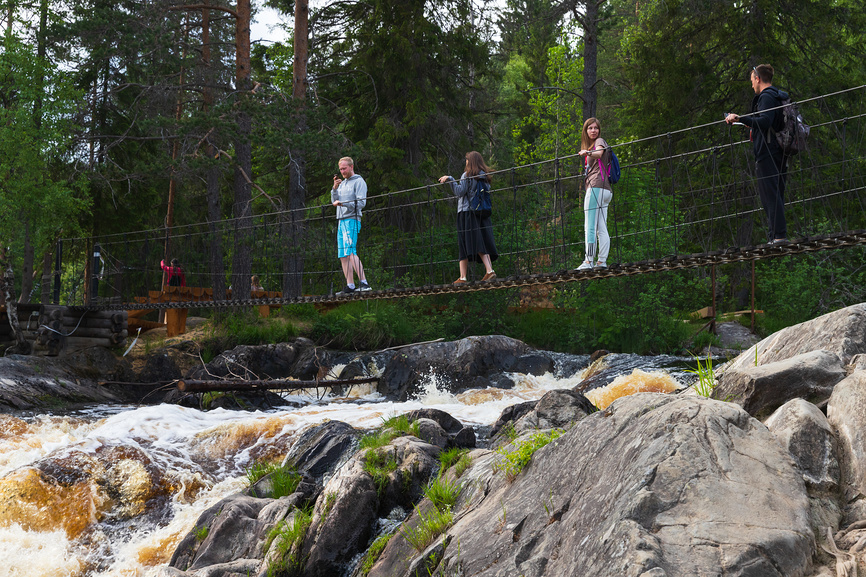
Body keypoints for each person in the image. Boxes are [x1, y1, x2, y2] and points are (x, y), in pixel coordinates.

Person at [725, 64, 789, 243]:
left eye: (752, 80)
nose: (752, 85)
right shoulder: (777, 95)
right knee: (776, 193)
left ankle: (778, 236)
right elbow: (767, 121)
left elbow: (766, 121)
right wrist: (751, 122)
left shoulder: (766, 97)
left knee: (770, 194)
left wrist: (740, 118)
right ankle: (776, 235)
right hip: (779, 150)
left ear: (758, 78)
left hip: (767, 151)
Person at [438, 151, 498, 284]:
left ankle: (469, 276)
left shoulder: (467, 175)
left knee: (464, 242)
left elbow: (459, 192)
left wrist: (450, 179)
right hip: (481, 213)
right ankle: (485, 271)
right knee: (479, 240)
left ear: (470, 161)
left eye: (466, 160)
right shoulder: (484, 177)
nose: (465, 162)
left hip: (466, 213)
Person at [576, 117, 613, 271]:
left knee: (589, 227)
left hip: (596, 188)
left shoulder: (599, 141)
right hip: (606, 191)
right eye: (590, 128)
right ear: (586, 131)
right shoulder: (594, 144)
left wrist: (587, 153)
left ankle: (589, 261)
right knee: (601, 228)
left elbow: (598, 154)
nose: (593, 131)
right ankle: (601, 262)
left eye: (595, 128)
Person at [331, 156, 372, 294]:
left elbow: (361, 203)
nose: (342, 171)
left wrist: (343, 204)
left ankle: (364, 283)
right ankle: (350, 285)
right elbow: (334, 201)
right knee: (343, 254)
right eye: (341, 169)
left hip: (352, 219)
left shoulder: (359, 182)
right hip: (341, 220)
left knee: (350, 251)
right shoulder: (342, 184)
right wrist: (335, 188)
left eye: (344, 168)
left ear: (351, 167)